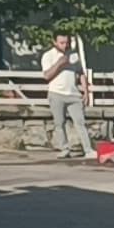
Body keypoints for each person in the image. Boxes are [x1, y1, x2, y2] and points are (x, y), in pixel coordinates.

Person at [41, 31, 96, 159]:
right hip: (56, 93)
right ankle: (64, 148)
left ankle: (88, 150)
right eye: (61, 43)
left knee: (80, 122)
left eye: (67, 42)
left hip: (73, 94)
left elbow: (81, 73)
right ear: (54, 42)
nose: (65, 45)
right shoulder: (48, 56)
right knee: (59, 123)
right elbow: (46, 76)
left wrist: (86, 91)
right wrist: (60, 63)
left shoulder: (73, 55)